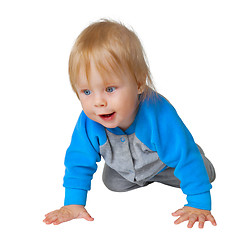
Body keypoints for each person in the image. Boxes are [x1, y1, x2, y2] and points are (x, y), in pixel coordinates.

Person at [43, 19, 216, 228]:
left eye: (109, 89)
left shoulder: (158, 115)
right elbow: (78, 161)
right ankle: (144, 178)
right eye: (87, 91)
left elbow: (184, 158)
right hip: (126, 168)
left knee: (201, 172)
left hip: (164, 162)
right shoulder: (89, 122)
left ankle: (193, 155)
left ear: (138, 83)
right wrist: (73, 203)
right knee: (112, 183)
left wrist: (199, 204)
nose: (99, 102)